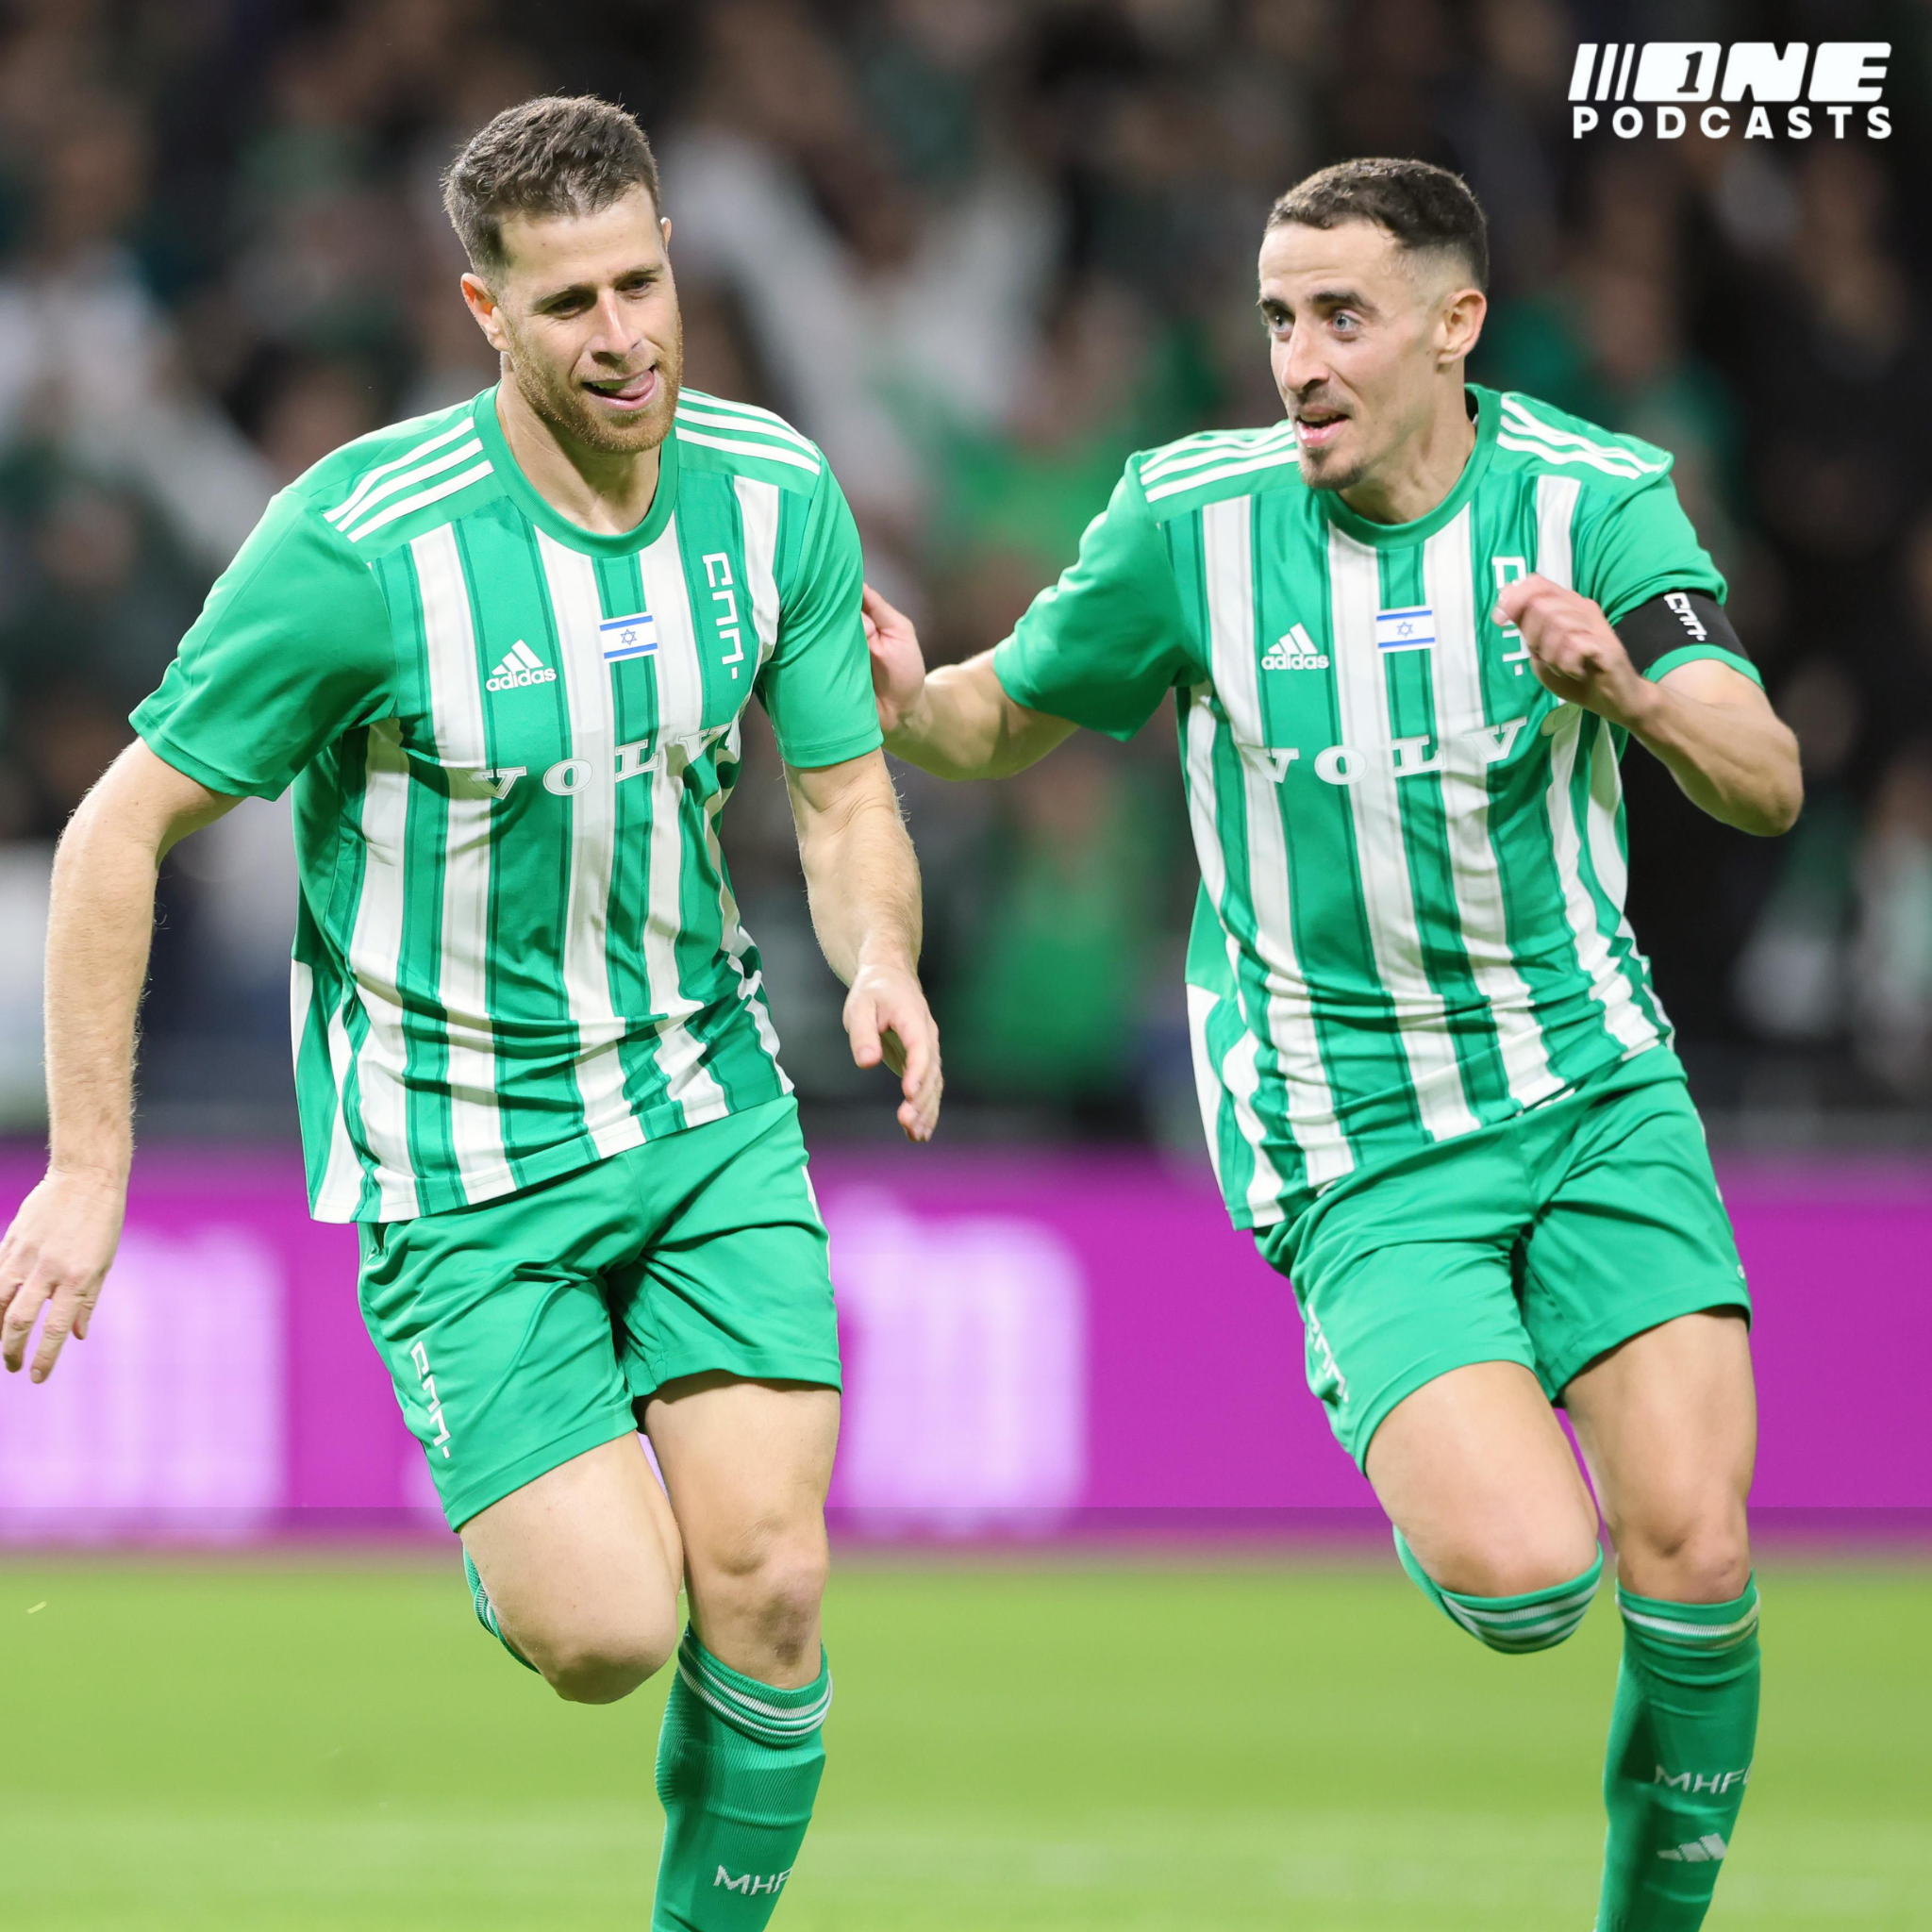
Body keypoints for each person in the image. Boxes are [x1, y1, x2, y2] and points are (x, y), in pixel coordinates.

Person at [0, 95, 941, 1931]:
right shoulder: (360, 547)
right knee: (610, 1631)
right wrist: (91, 1169)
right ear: (484, 312)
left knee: (769, 1582)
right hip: (456, 1157)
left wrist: (880, 957)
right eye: (571, 302)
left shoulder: (774, 495)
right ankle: (529, 1550)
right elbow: (116, 831)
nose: (624, 335)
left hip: (701, 1100)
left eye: (643, 284)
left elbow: (840, 796)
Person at [869, 158, 1797, 1932]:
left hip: (1594, 1091)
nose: (1298, 356)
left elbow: (1766, 778)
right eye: (1280, 317)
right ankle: (1374, 1359)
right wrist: (914, 703)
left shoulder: (1597, 500)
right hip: (1356, 1139)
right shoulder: (1189, 523)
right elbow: (1001, 717)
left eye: (1343, 316)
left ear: (1456, 327)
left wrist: (1632, 694)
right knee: (1532, 1580)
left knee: (1697, 1546)